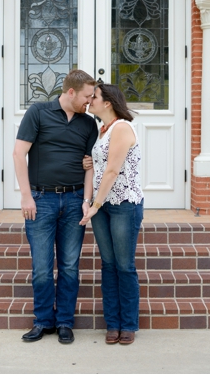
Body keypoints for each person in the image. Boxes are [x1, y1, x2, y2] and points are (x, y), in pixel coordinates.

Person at [12, 69, 98, 344]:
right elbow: (18, 153)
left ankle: (64, 322)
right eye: (87, 96)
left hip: (74, 201)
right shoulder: (38, 112)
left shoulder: (88, 124)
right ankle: (42, 321)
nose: (90, 101)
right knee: (41, 267)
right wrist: (26, 196)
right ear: (71, 92)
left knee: (70, 266)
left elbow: (90, 166)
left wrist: (87, 200)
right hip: (41, 201)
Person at [78, 83, 144, 345]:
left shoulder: (122, 128)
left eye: (93, 97)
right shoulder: (102, 131)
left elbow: (112, 171)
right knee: (108, 265)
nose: (89, 101)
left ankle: (128, 324)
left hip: (123, 205)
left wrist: (94, 205)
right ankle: (112, 324)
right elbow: (96, 166)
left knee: (124, 266)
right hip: (101, 206)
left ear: (107, 103)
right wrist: (89, 200)